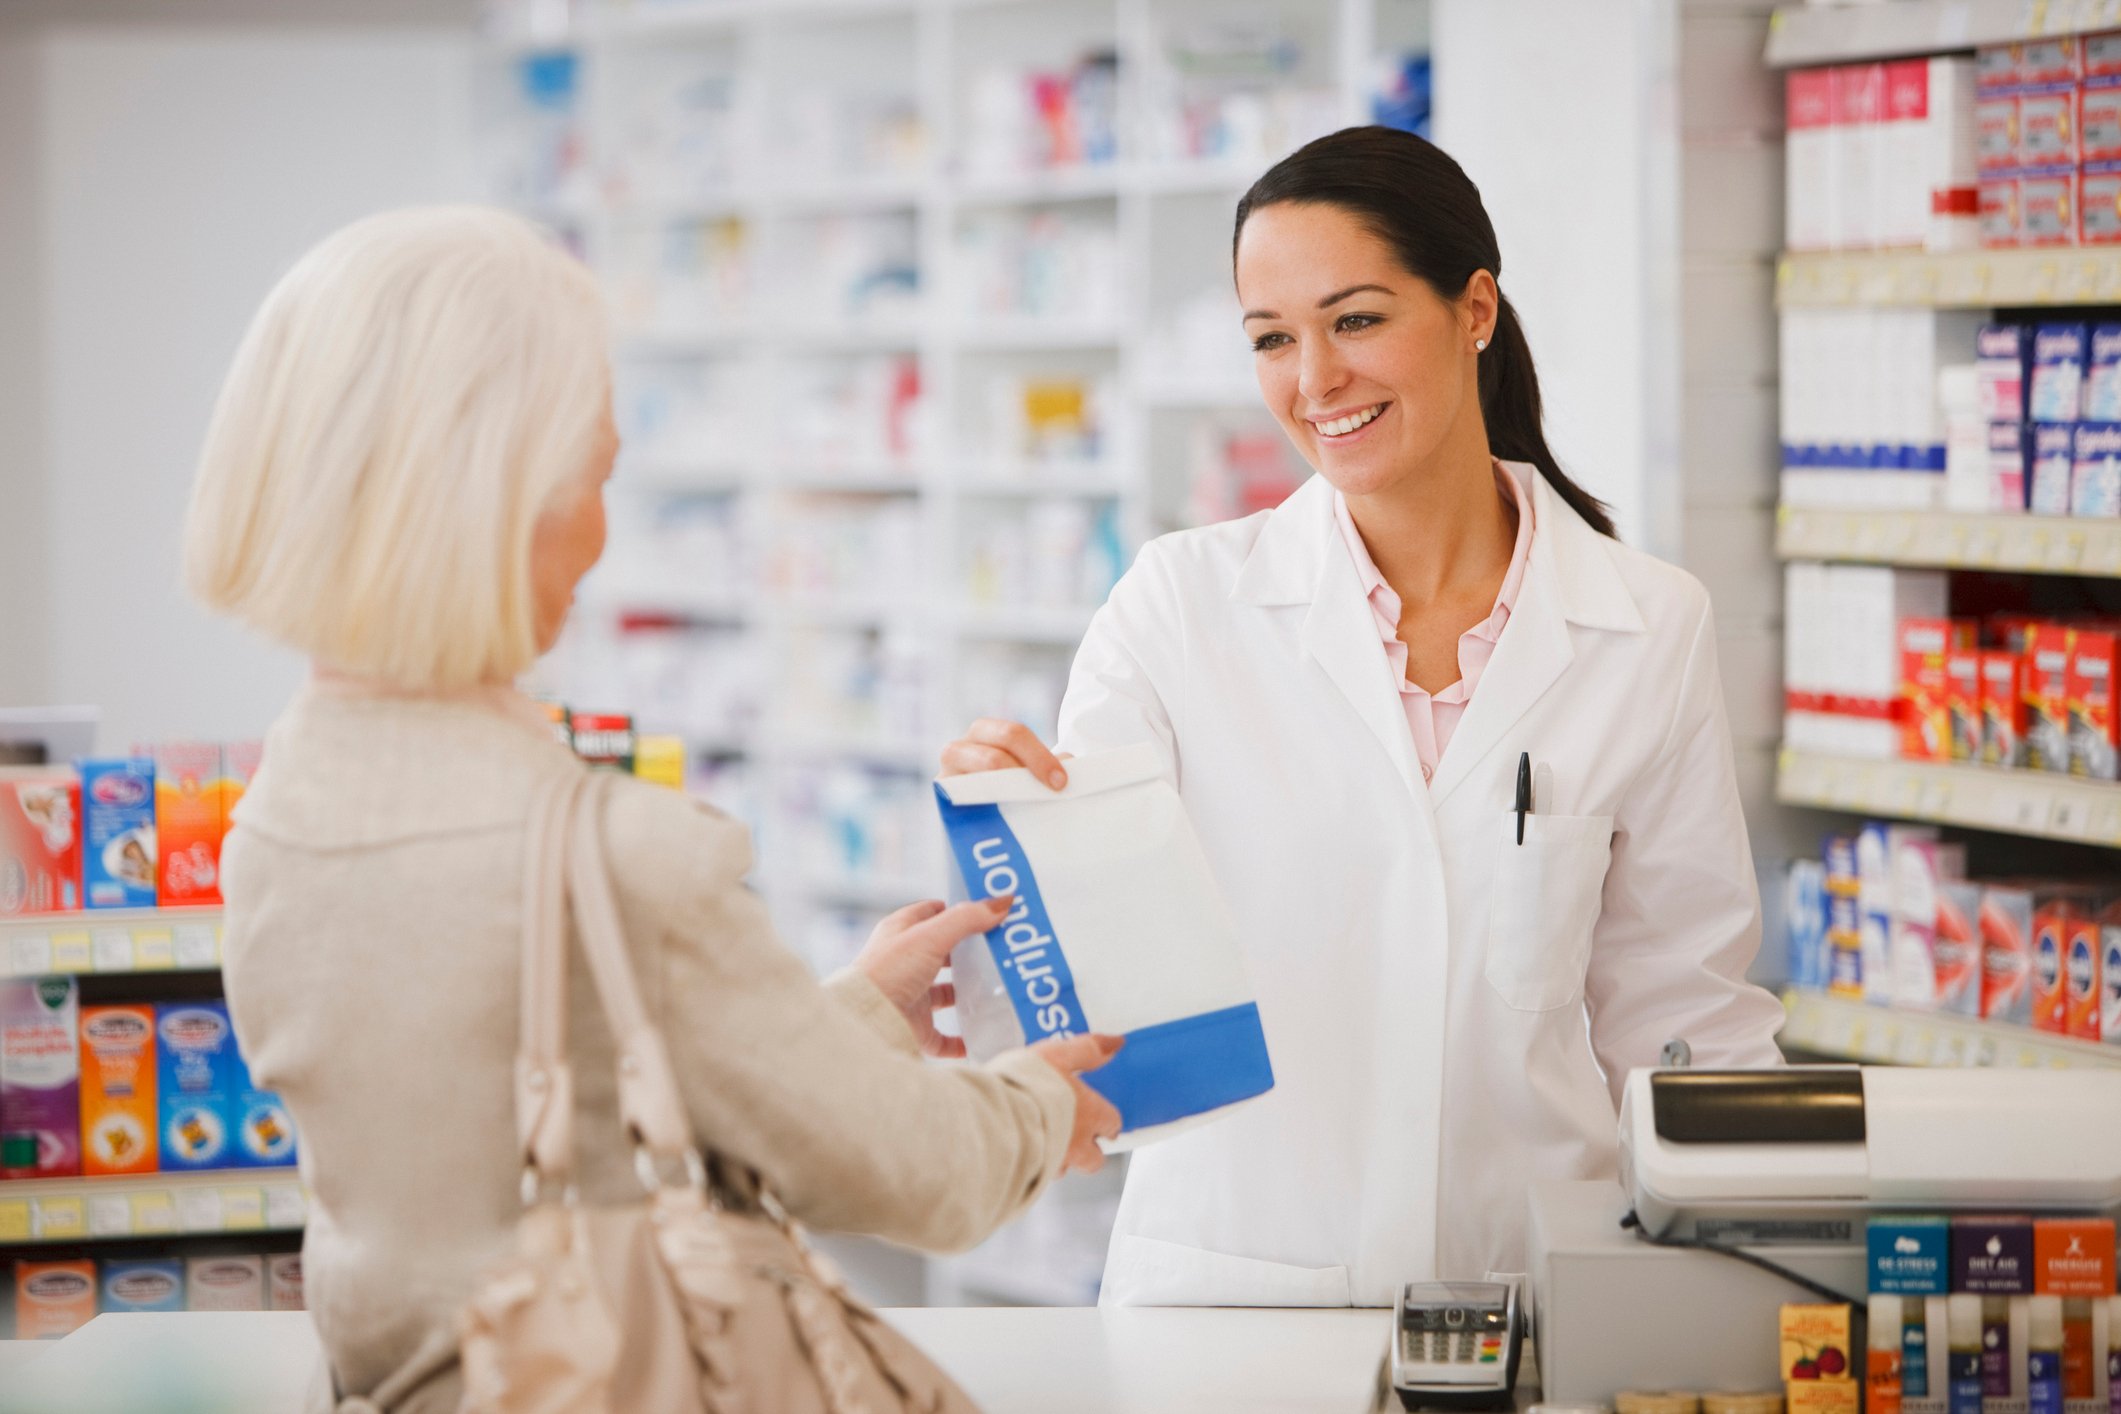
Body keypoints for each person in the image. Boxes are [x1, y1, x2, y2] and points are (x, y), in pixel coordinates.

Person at [183, 206, 1123, 1413]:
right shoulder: (606, 854)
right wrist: (1042, 1097)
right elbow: (916, 1173)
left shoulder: (277, 815)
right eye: (593, 478)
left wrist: (856, 1018)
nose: (599, 532)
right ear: (497, 504)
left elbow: (534, 1105)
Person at [941, 127, 1785, 1308]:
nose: (1314, 380)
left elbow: (1683, 1013)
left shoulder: (1647, 625)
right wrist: (1010, 836)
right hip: (1233, 1305)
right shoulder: (1179, 609)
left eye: (1356, 320)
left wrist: (1752, 1295)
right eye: (1272, 339)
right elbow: (1078, 992)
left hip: (1535, 1301)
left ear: (1474, 308)